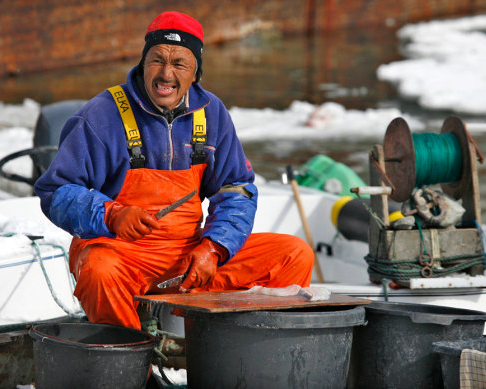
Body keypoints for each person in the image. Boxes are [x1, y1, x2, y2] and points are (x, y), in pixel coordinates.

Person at [34, 11, 314, 330]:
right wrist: (111, 214)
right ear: (143, 62)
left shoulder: (212, 113)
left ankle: (236, 356)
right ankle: (134, 366)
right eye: (157, 60)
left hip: (188, 255)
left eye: (179, 63)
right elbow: (56, 190)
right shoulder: (101, 114)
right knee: (99, 266)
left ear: (195, 73)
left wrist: (214, 247)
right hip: (123, 255)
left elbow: (236, 188)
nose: (166, 74)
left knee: (294, 255)